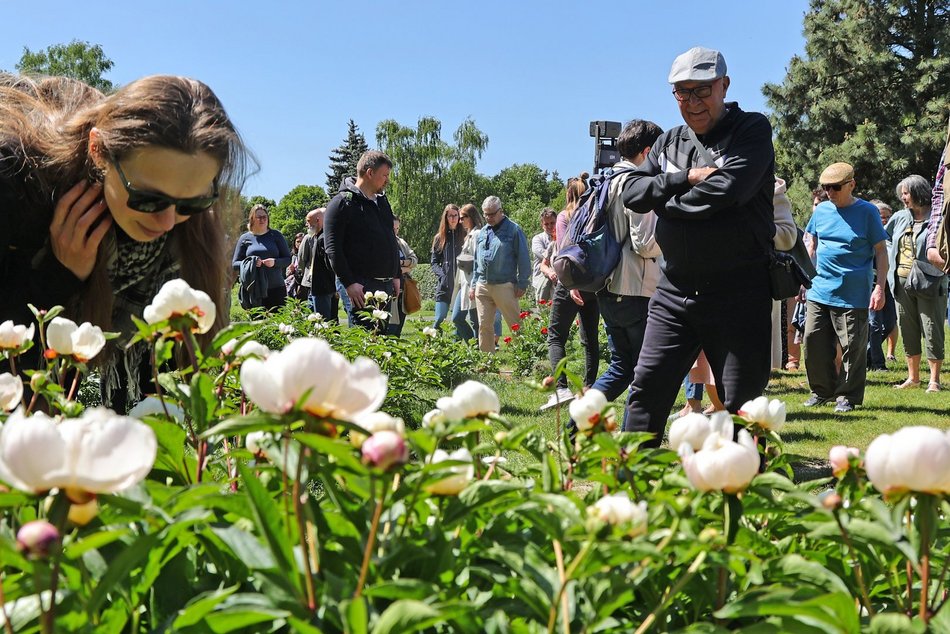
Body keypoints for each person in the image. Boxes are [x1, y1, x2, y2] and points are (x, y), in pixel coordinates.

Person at [0, 74, 250, 412]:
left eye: (192, 203)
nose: (166, 222)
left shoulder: (184, 241)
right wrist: (57, 275)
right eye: (149, 199)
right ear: (98, 151)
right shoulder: (17, 184)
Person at [620, 46, 776, 446]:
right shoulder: (669, 141)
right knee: (646, 392)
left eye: (702, 90)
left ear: (724, 85)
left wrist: (664, 204)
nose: (692, 102)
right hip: (673, 292)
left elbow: (726, 192)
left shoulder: (752, 131)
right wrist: (683, 178)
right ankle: (630, 493)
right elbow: (633, 193)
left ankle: (742, 498)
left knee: (742, 408)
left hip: (738, 294)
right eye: (681, 93)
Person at [564, 120, 664, 417]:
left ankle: (575, 425)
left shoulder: (605, 180)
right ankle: (634, 438)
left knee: (621, 368)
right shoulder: (638, 183)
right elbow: (644, 244)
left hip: (606, 287)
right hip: (635, 288)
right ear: (647, 151)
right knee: (646, 372)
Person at [802, 162, 888, 412]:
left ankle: (847, 396)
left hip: (852, 294)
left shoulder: (868, 212)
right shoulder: (821, 211)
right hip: (819, 289)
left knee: (853, 347)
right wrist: (804, 278)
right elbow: (812, 246)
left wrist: (879, 287)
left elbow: (881, 252)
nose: (830, 192)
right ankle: (821, 391)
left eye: (836, 187)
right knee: (813, 341)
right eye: (826, 187)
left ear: (852, 184)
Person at [324, 150, 400, 332]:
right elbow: (332, 248)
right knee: (363, 344)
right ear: (370, 173)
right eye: (384, 175)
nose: (387, 180)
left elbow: (391, 239)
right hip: (360, 287)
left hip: (385, 286)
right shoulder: (341, 203)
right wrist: (349, 283)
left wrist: (397, 275)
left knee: (382, 343)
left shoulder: (382, 202)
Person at [544, 175, 602, 406]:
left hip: (569, 284)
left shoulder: (564, 216)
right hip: (592, 283)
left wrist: (570, 286)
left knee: (556, 337)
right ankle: (590, 388)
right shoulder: (594, 215)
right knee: (590, 338)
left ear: (568, 194)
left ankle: (561, 388)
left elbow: (563, 251)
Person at [886, 175, 946, 392]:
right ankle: (913, 378)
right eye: (901, 193)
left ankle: (934, 380)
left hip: (929, 282)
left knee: (932, 329)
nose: (903, 197)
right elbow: (885, 238)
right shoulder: (900, 217)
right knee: (907, 328)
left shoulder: (938, 218)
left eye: (906, 193)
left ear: (919, 192)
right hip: (900, 283)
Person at [469, 196, 530, 353]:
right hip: (482, 285)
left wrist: (523, 283)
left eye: (492, 214)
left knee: (515, 324)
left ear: (501, 211)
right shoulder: (482, 232)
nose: (488, 218)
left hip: (505, 285)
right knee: (484, 325)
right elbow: (477, 261)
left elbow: (524, 258)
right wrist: (473, 284)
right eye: (485, 214)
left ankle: (525, 359)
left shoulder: (514, 230)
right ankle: (487, 363)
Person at [451, 204, 502, 341]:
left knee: (475, 321)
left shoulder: (478, 234)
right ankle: (474, 347)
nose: (460, 221)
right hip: (465, 283)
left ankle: (479, 350)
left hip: (474, 283)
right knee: (457, 318)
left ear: (471, 217)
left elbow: (479, 261)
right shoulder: (470, 234)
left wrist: (475, 285)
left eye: (463, 217)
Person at [232, 204, 292, 311]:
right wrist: (251, 263)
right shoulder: (245, 238)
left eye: (264, 217)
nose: (262, 219)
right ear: (252, 219)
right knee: (258, 324)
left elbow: (288, 259)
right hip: (254, 290)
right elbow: (235, 264)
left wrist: (275, 262)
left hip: (276, 288)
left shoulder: (276, 235)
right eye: (259, 217)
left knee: (278, 325)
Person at [868, 199, 898, 370]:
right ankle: (877, 363)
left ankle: (867, 355)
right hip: (873, 283)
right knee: (875, 324)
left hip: (890, 284)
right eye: (881, 217)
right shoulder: (870, 235)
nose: (885, 220)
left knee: (890, 322)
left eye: (887, 217)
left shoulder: (891, 236)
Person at [431, 204, 464, 328]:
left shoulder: (465, 236)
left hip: (461, 286)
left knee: (457, 321)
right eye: (450, 216)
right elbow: (434, 263)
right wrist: (442, 276)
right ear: (446, 217)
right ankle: (434, 345)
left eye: (455, 215)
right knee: (439, 319)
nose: (453, 218)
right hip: (444, 286)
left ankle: (455, 346)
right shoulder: (439, 238)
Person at [303, 208, 337, 319]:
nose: (307, 225)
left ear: (318, 220)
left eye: (309, 221)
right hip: (318, 287)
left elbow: (331, 264)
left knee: (322, 322)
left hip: (323, 288)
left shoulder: (323, 238)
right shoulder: (319, 237)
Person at [388, 216, 418, 337]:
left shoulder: (401, 242)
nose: (395, 231)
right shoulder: (383, 243)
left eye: (397, 228)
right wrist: (406, 268)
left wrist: (402, 264)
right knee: (390, 328)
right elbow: (388, 266)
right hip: (390, 290)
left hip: (404, 290)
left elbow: (414, 260)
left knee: (398, 328)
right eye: (393, 228)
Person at [531, 208, 558, 302]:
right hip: (542, 282)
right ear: (542, 225)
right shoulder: (537, 239)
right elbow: (545, 256)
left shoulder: (563, 237)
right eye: (546, 224)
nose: (550, 226)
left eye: (552, 223)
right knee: (544, 313)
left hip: (558, 282)